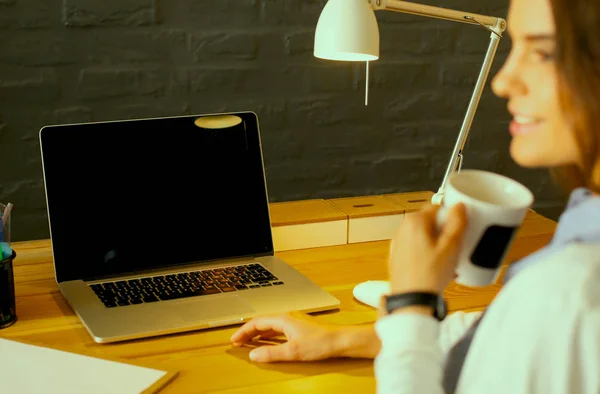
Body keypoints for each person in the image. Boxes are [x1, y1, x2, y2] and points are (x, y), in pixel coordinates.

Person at [230, 0, 600, 391]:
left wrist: (412, 300)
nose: (503, 82)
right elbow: (509, 331)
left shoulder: (570, 292)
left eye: (543, 53)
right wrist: (343, 338)